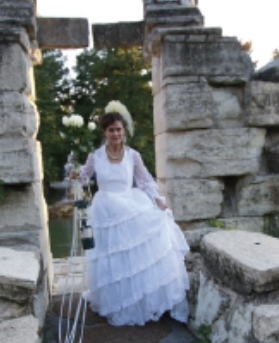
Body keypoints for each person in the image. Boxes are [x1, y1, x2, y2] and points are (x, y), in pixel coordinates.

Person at [70, 109, 190, 326]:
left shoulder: (133, 155)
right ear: (105, 133)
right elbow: (84, 177)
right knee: (111, 256)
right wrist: (76, 176)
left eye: (118, 129)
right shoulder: (95, 157)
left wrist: (157, 200)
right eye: (110, 130)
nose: (115, 134)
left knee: (135, 254)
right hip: (106, 210)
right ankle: (116, 302)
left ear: (124, 130)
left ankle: (140, 301)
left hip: (129, 204)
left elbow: (144, 182)